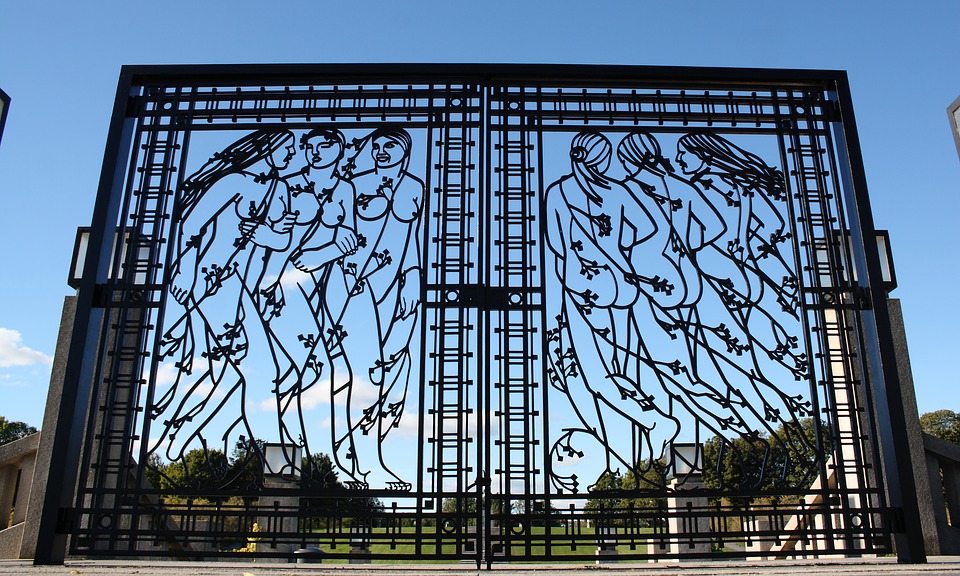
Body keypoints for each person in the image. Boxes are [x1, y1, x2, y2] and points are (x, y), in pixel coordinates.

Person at [150, 129, 299, 477]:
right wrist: (185, 271)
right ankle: (275, 460)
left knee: (236, 370)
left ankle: (179, 435)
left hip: (235, 284)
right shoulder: (234, 181)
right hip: (210, 280)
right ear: (270, 147)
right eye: (287, 149)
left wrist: (279, 233)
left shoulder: (278, 192)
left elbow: (276, 241)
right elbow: (191, 226)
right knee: (258, 365)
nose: (291, 157)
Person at [544, 131, 676, 487]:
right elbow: (654, 228)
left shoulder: (558, 192)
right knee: (618, 369)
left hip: (583, 291)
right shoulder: (617, 191)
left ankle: (653, 424)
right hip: (623, 289)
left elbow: (559, 248)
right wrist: (626, 256)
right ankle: (630, 451)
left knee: (597, 378)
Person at [324, 127, 425, 488]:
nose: (382, 151)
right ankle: (358, 462)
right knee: (361, 372)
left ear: (405, 151)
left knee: (398, 369)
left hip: (393, 287)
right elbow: (337, 236)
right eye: (377, 145)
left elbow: (409, 239)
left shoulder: (415, 188)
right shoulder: (353, 185)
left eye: (392, 145)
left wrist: (413, 276)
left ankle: (372, 453)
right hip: (350, 285)